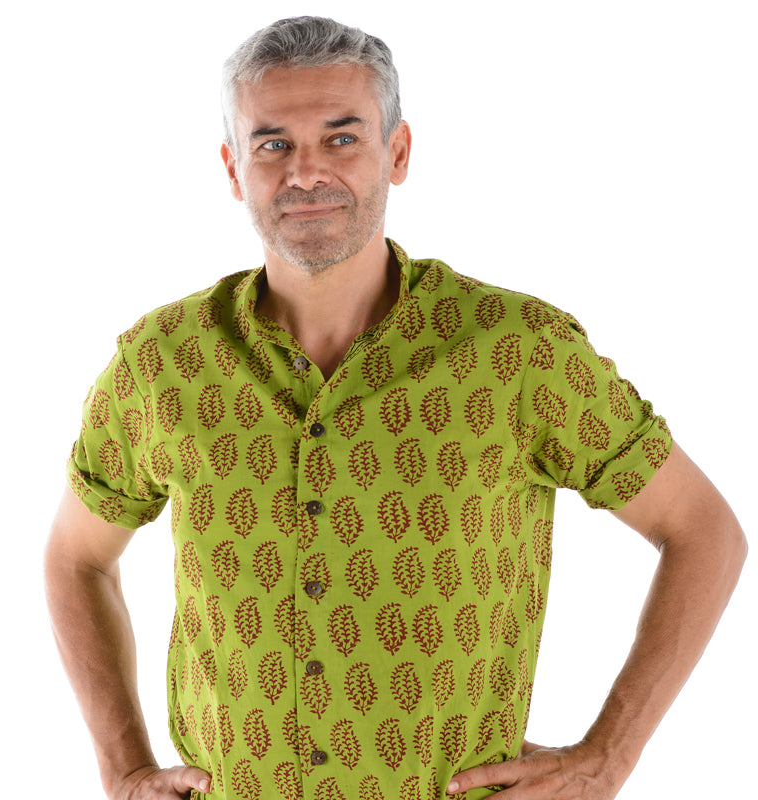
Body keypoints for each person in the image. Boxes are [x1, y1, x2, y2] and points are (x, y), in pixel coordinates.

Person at [45, 16, 746, 800]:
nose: (306, 173)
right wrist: (123, 768)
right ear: (234, 169)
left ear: (398, 152)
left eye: (341, 138)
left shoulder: (517, 352)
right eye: (272, 144)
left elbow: (703, 530)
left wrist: (608, 756)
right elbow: (76, 558)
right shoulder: (162, 364)